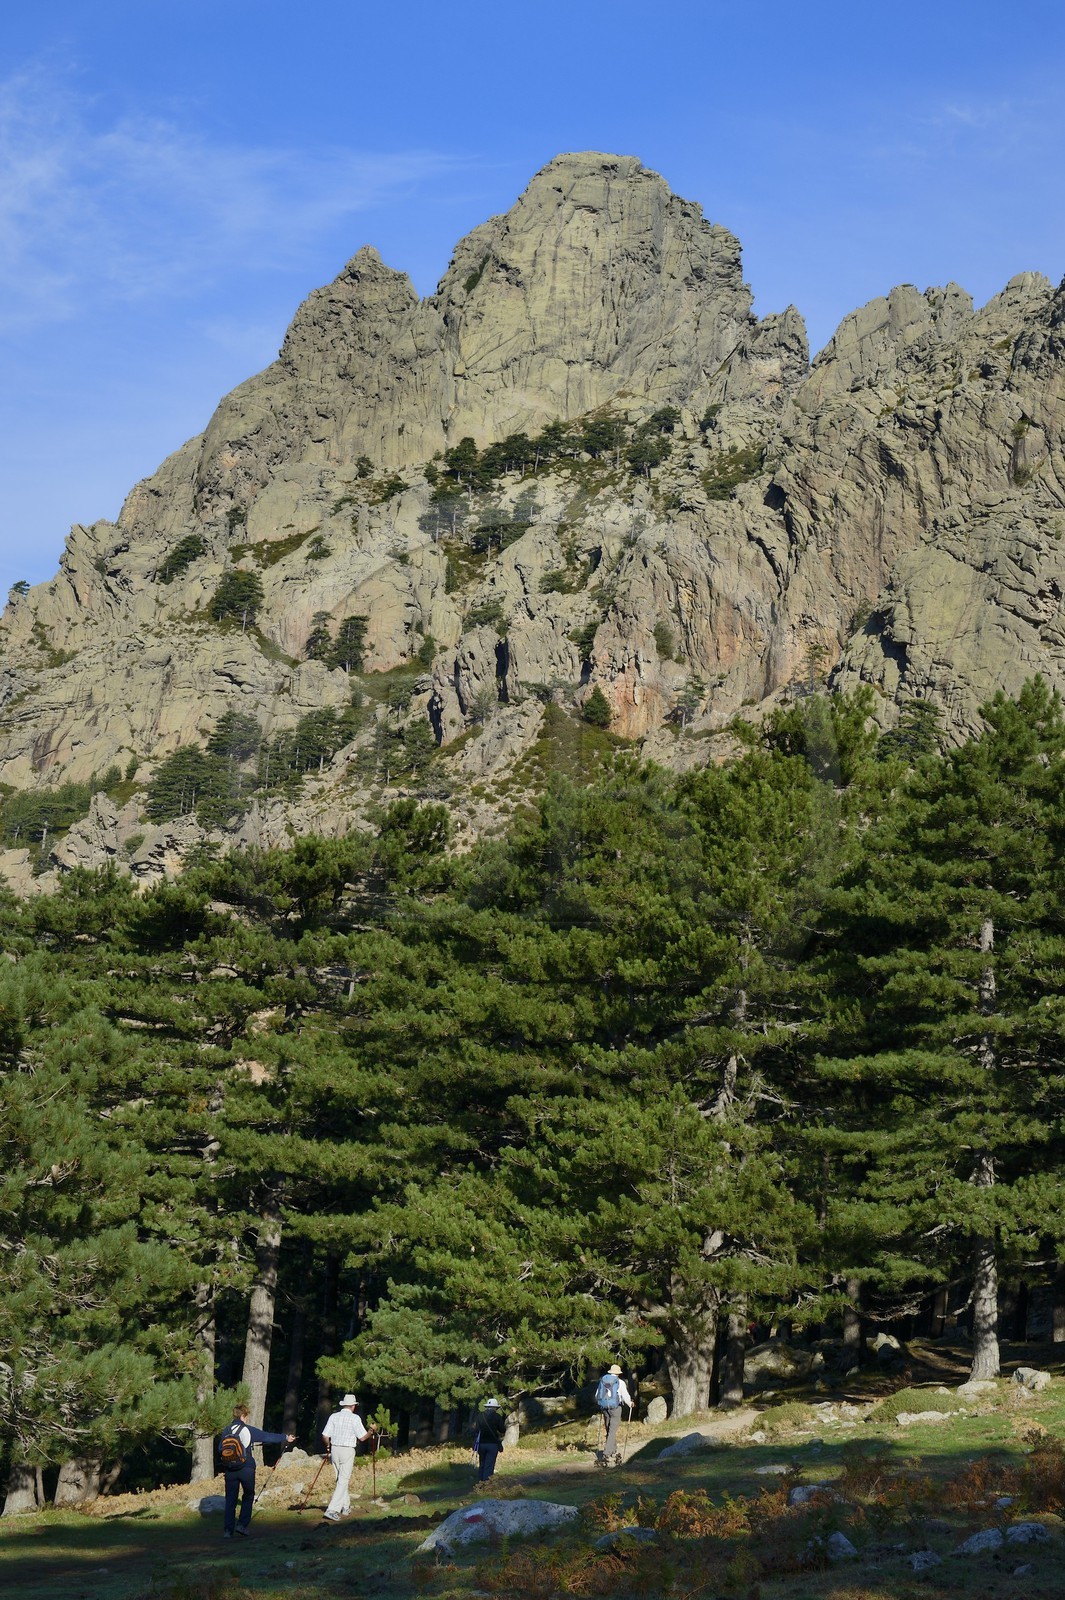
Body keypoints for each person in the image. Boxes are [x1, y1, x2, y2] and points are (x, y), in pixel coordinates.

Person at [219, 1403, 295, 1538]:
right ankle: (242, 1525)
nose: (246, 1419)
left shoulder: (226, 1430)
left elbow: (220, 1449)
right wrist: (285, 1438)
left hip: (230, 1469)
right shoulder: (247, 1430)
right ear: (243, 1415)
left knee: (230, 1499)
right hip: (246, 1467)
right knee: (248, 1495)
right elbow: (266, 1436)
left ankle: (227, 1531)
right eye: (246, 1416)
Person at [320, 1393, 370, 1522]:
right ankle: (332, 1510)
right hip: (347, 1450)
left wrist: (328, 1447)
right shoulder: (355, 1418)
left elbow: (325, 1435)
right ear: (353, 1406)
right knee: (343, 1480)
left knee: (340, 1479)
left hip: (335, 1449)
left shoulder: (334, 1417)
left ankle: (345, 1506)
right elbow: (362, 1437)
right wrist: (371, 1431)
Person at [595, 1364, 633, 1466]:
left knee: (609, 1429)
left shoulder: (603, 1381)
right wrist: (630, 1404)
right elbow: (625, 1395)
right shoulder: (620, 1382)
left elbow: (597, 1394)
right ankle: (606, 1453)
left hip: (604, 1407)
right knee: (612, 1431)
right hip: (616, 1408)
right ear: (618, 1373)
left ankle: (613, 1450)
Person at [473, 1397, 506, 1482]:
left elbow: (476, 1430)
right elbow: (502, 1430)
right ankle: (486, 1484)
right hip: (493, 1444)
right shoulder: (497, 1417)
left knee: (482, 1464)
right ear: (495, 1407)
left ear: (487, 1406)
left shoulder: (480, 1416)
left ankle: (480, 1483)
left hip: (481, 1444)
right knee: (489, 1465)